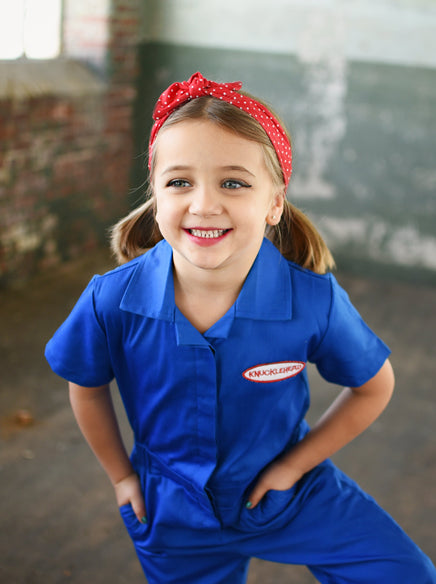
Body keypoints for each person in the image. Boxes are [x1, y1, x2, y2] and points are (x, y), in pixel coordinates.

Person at [45, 72, 436, 583]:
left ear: (274, 203)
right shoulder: (111, 299)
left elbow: (373, 386)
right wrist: (122, 476)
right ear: (156, 197)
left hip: (291, 497)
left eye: (233, 182)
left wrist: (293, 467)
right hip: (171, 513)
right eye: (179, 181)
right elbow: (87, 386)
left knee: (406, 574)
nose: (204, 204)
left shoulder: (312, 300)